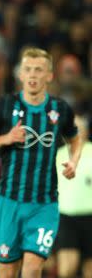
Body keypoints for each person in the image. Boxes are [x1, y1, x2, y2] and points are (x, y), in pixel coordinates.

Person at [0, 47, 83, 278]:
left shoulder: (60, 109)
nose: (33, 75)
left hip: (44, 205)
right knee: (6, 271)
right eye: (28, 70)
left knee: (33, 268)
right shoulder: (4, 105)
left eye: (39, 70)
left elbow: (75, 138)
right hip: (10, 202)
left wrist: (74, 161)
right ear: (20, 75)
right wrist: (6, 138)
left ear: (49, 76)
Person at [55, 115, 92, 278]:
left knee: (90, 269)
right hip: (66, 217)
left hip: (90, 216)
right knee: (67, 269)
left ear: (86, 131)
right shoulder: (57, 155)